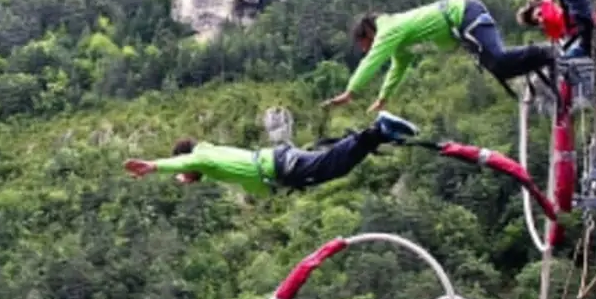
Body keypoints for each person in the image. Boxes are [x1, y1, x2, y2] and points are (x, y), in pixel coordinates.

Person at [321, 0, 553, 113]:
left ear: (369, 33)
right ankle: (544, 60)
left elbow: (373, 60)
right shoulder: (398, 41)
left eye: (365, 44)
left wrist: (350, 92)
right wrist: (384, 97)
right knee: (499, 66)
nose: (367, 50)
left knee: (499, 60)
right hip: (463, 22)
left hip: (465, 14)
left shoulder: (388, 29)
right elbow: (398, 67)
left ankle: (547, 52)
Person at [124, 112, 420, 194]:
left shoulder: (203, 158)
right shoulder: (212, 157)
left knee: (331, 165)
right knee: (333, 166)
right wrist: (191, 178)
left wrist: (153, 166)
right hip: (278, 163)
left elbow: (191, 161)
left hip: (280, 167)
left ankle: (377, 131)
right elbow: (203, 167)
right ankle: (379, 134)